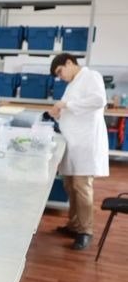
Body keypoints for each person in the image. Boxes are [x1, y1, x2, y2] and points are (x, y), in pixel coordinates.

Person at [48, 53, 109, 250]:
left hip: (86, 143)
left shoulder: (91, 76)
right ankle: (74, 225)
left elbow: (99, 100)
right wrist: (57, 113)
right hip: (72, 144)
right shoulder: (72, 84)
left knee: (82, 187)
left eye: (60, 72)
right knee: (70, 185)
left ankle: (85, 231)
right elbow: (71, 111)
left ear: (69, 62)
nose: (61, 77)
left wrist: (66, 105)